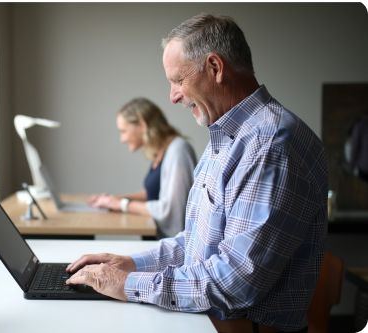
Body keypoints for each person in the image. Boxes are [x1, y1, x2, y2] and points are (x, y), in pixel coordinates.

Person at [66, 13, 327, 333]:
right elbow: (196, 243)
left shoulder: (269, 146)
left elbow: (234, 282)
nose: (172, 96)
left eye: (178, 80)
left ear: (215, 68)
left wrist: (129, 284)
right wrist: (130, 264)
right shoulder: (229, 136)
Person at [88, 97, 197, 239]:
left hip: (169, 246)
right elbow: (153, 193)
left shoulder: (179, 150)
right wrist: (113, 199)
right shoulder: (160, 151)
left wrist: (122, 204)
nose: (122, 138)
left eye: (124, 131)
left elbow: (170, 209)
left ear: (141, 125)